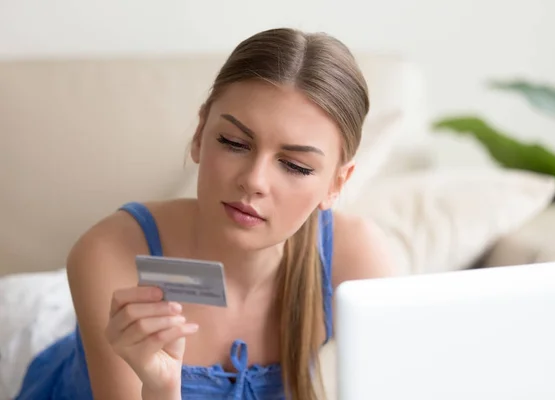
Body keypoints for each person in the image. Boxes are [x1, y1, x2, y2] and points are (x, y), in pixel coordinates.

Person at [15, 27, 396, 400]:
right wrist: (160, 388)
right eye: (233, 142)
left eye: (295, 166)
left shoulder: (354, 257)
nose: (254, 181)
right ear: (199, 135)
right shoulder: (110, 252)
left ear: (337, 184)